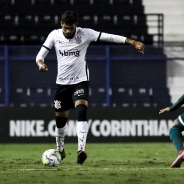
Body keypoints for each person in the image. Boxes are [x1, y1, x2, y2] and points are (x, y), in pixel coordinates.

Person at [35, 10, 145, 165]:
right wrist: (41, 63)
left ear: (75, 26)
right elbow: (40, 55)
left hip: (80, 81)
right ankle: (60, 149)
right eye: (65, 28)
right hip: (62, 84)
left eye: (71, 28)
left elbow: (109, 37)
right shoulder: (54, 35)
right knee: (60, 121)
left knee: (81, 110)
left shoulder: (85, 34)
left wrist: (132, 42)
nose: (68, 31)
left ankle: (81, 149)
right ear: (61, 24)